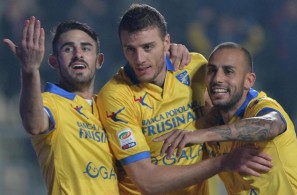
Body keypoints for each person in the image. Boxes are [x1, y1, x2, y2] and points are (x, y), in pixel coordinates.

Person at [3, 16, 191, 195]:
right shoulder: (51, 103)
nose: (78, 55)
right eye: (68, 49)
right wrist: (30, 70)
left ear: (99, 60)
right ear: (54, 61)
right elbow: (34, 123)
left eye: (86, 48)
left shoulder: (108, 106)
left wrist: (168, 51)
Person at [97, 4, 273, 195]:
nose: (139, 59)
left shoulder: (194, 66)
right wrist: (223, 162)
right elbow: (148, 183)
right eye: (130, 49)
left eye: (148, 47)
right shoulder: (116, 96)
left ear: (166, 43)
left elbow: (227, 115)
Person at [155, 42, 297, 194]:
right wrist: (170, 49)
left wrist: (202, 135)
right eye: (212, 71)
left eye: (228, 71)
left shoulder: (259, 107)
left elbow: (272, 125)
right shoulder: (213, 121)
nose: (217, 78)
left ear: (248, 81)